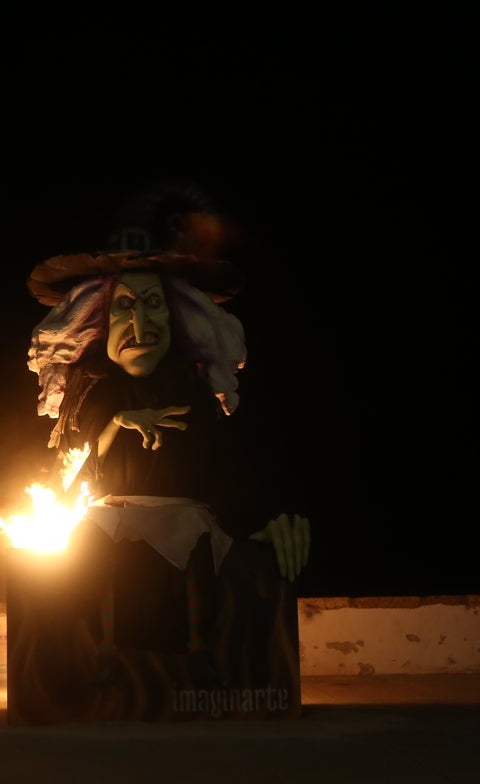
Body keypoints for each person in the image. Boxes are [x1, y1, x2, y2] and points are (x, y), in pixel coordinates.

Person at [16, 179, 310, 716]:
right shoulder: (98, 393)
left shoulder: (196, 394)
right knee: (96, 562)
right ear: (101, 323)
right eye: (126, 307)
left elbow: (229, 473)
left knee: (196, 558)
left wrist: (266, 521)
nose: (141, 322)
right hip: (113, 514)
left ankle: (199, 653)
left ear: (177, 321)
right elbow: (79, 460)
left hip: (181, 515)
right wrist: (121, 422)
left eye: (154, 306)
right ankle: (103, 651)